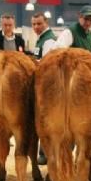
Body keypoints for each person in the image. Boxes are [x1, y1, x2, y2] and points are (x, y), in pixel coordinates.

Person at [31, 12, 57, 165]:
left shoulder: (48, 40)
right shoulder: (41, 39)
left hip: (46, 85)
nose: (36, 27)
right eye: (34, 24)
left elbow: (47, 63)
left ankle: (46, 152)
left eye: (39, 24)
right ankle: (44, 151)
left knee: (46, 119)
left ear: (46, 22)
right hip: (42, 84)